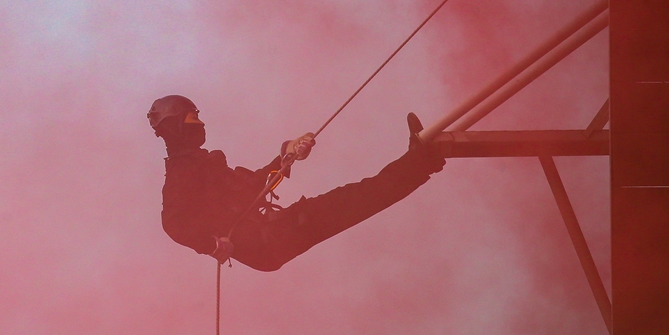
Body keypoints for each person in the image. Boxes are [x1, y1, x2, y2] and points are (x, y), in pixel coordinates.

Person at [147, 95, 445, 271]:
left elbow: (248, 186)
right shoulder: (183, 172)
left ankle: (420, 162)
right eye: (191, 120)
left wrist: (285, 156)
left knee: (354, 199)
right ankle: (421, 162)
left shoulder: (200, 166)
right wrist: (210, 245)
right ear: (175, 126)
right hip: (269, 239)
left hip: (273, 235)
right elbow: (173, 222)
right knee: (354, 200)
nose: (200, 124)